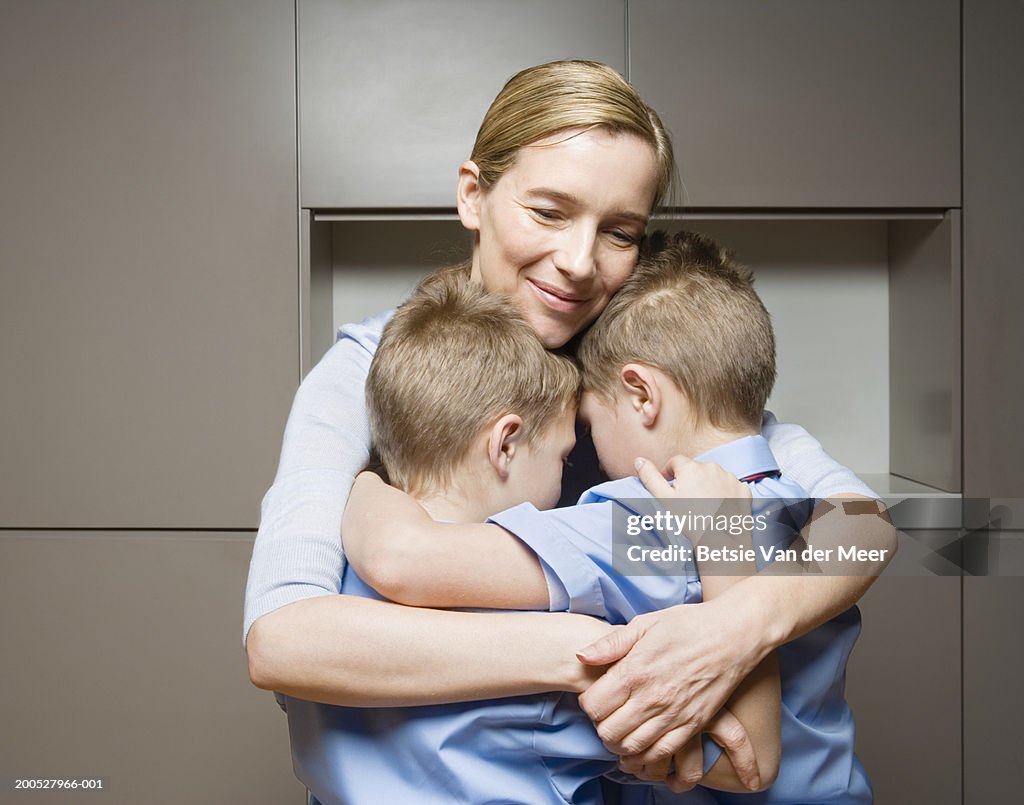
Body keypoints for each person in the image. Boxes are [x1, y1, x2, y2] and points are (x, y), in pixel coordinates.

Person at [244, 59, 894, 792]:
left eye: (619, 231)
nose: (580, 262)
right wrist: (601, 658)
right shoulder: (369, 370)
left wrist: (732, 632)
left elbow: (862, 525)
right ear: (473, 195)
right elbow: (284, 639)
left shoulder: (642, 366)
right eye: (549, 211)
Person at [344, 231, 873, 803]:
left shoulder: (650, 524)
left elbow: (419, 560)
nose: (588, 458)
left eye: (590, 428)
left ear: (641, 395)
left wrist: (366, 479)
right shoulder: (801, 505)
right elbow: (877, 531)